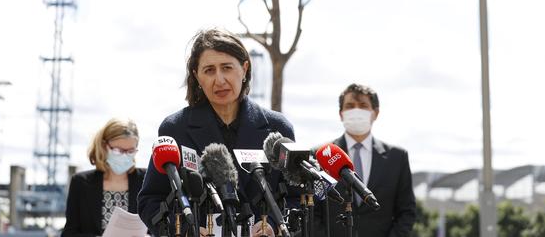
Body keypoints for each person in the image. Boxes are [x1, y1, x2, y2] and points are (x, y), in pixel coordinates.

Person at [137, 28, 295, 237]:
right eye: (209, 70)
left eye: (227, 68)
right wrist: (185, 230)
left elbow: (297, 197)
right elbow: (150, 200)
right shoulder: (175, 128)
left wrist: (273, 225)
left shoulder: (278, 128)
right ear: (197, 76)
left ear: (245, 68)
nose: (219, 80)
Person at [315, 83, 416, 237]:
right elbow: (313, 211)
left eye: (363, 105)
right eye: (350, 106)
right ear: (341, 113)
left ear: (375, 113)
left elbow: (406, 212)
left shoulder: (397, 157)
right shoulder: (320, 155)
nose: (356, 110)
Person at [62, 118, 146, 237]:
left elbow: (159, 227)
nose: (124, 156)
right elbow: (69, 233)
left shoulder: (145, 180)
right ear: (104, 146)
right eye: (118, 150)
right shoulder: (81, 182)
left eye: (130, 151)